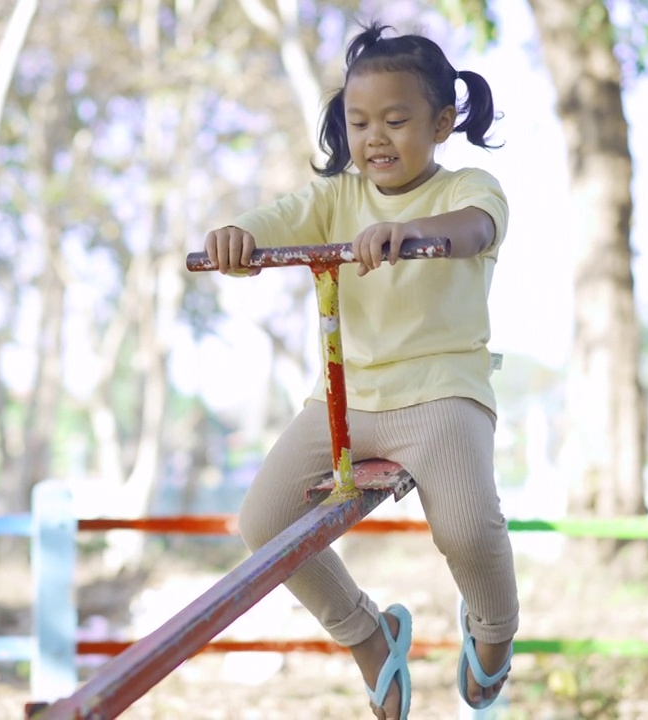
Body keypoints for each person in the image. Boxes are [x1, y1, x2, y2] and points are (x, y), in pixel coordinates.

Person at [202, 21, 518, 720]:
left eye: (396, 120)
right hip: (344, 402)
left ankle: (493, 632)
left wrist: (418, 235)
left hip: (441, 393)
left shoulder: (469, 188)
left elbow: (475, 229)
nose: (375, 137)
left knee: (468, 528)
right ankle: (368, 636)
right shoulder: (336, 198)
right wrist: (240, 236)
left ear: (442, 121)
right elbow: (278, 218)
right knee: (264, 524)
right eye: (359, 121)